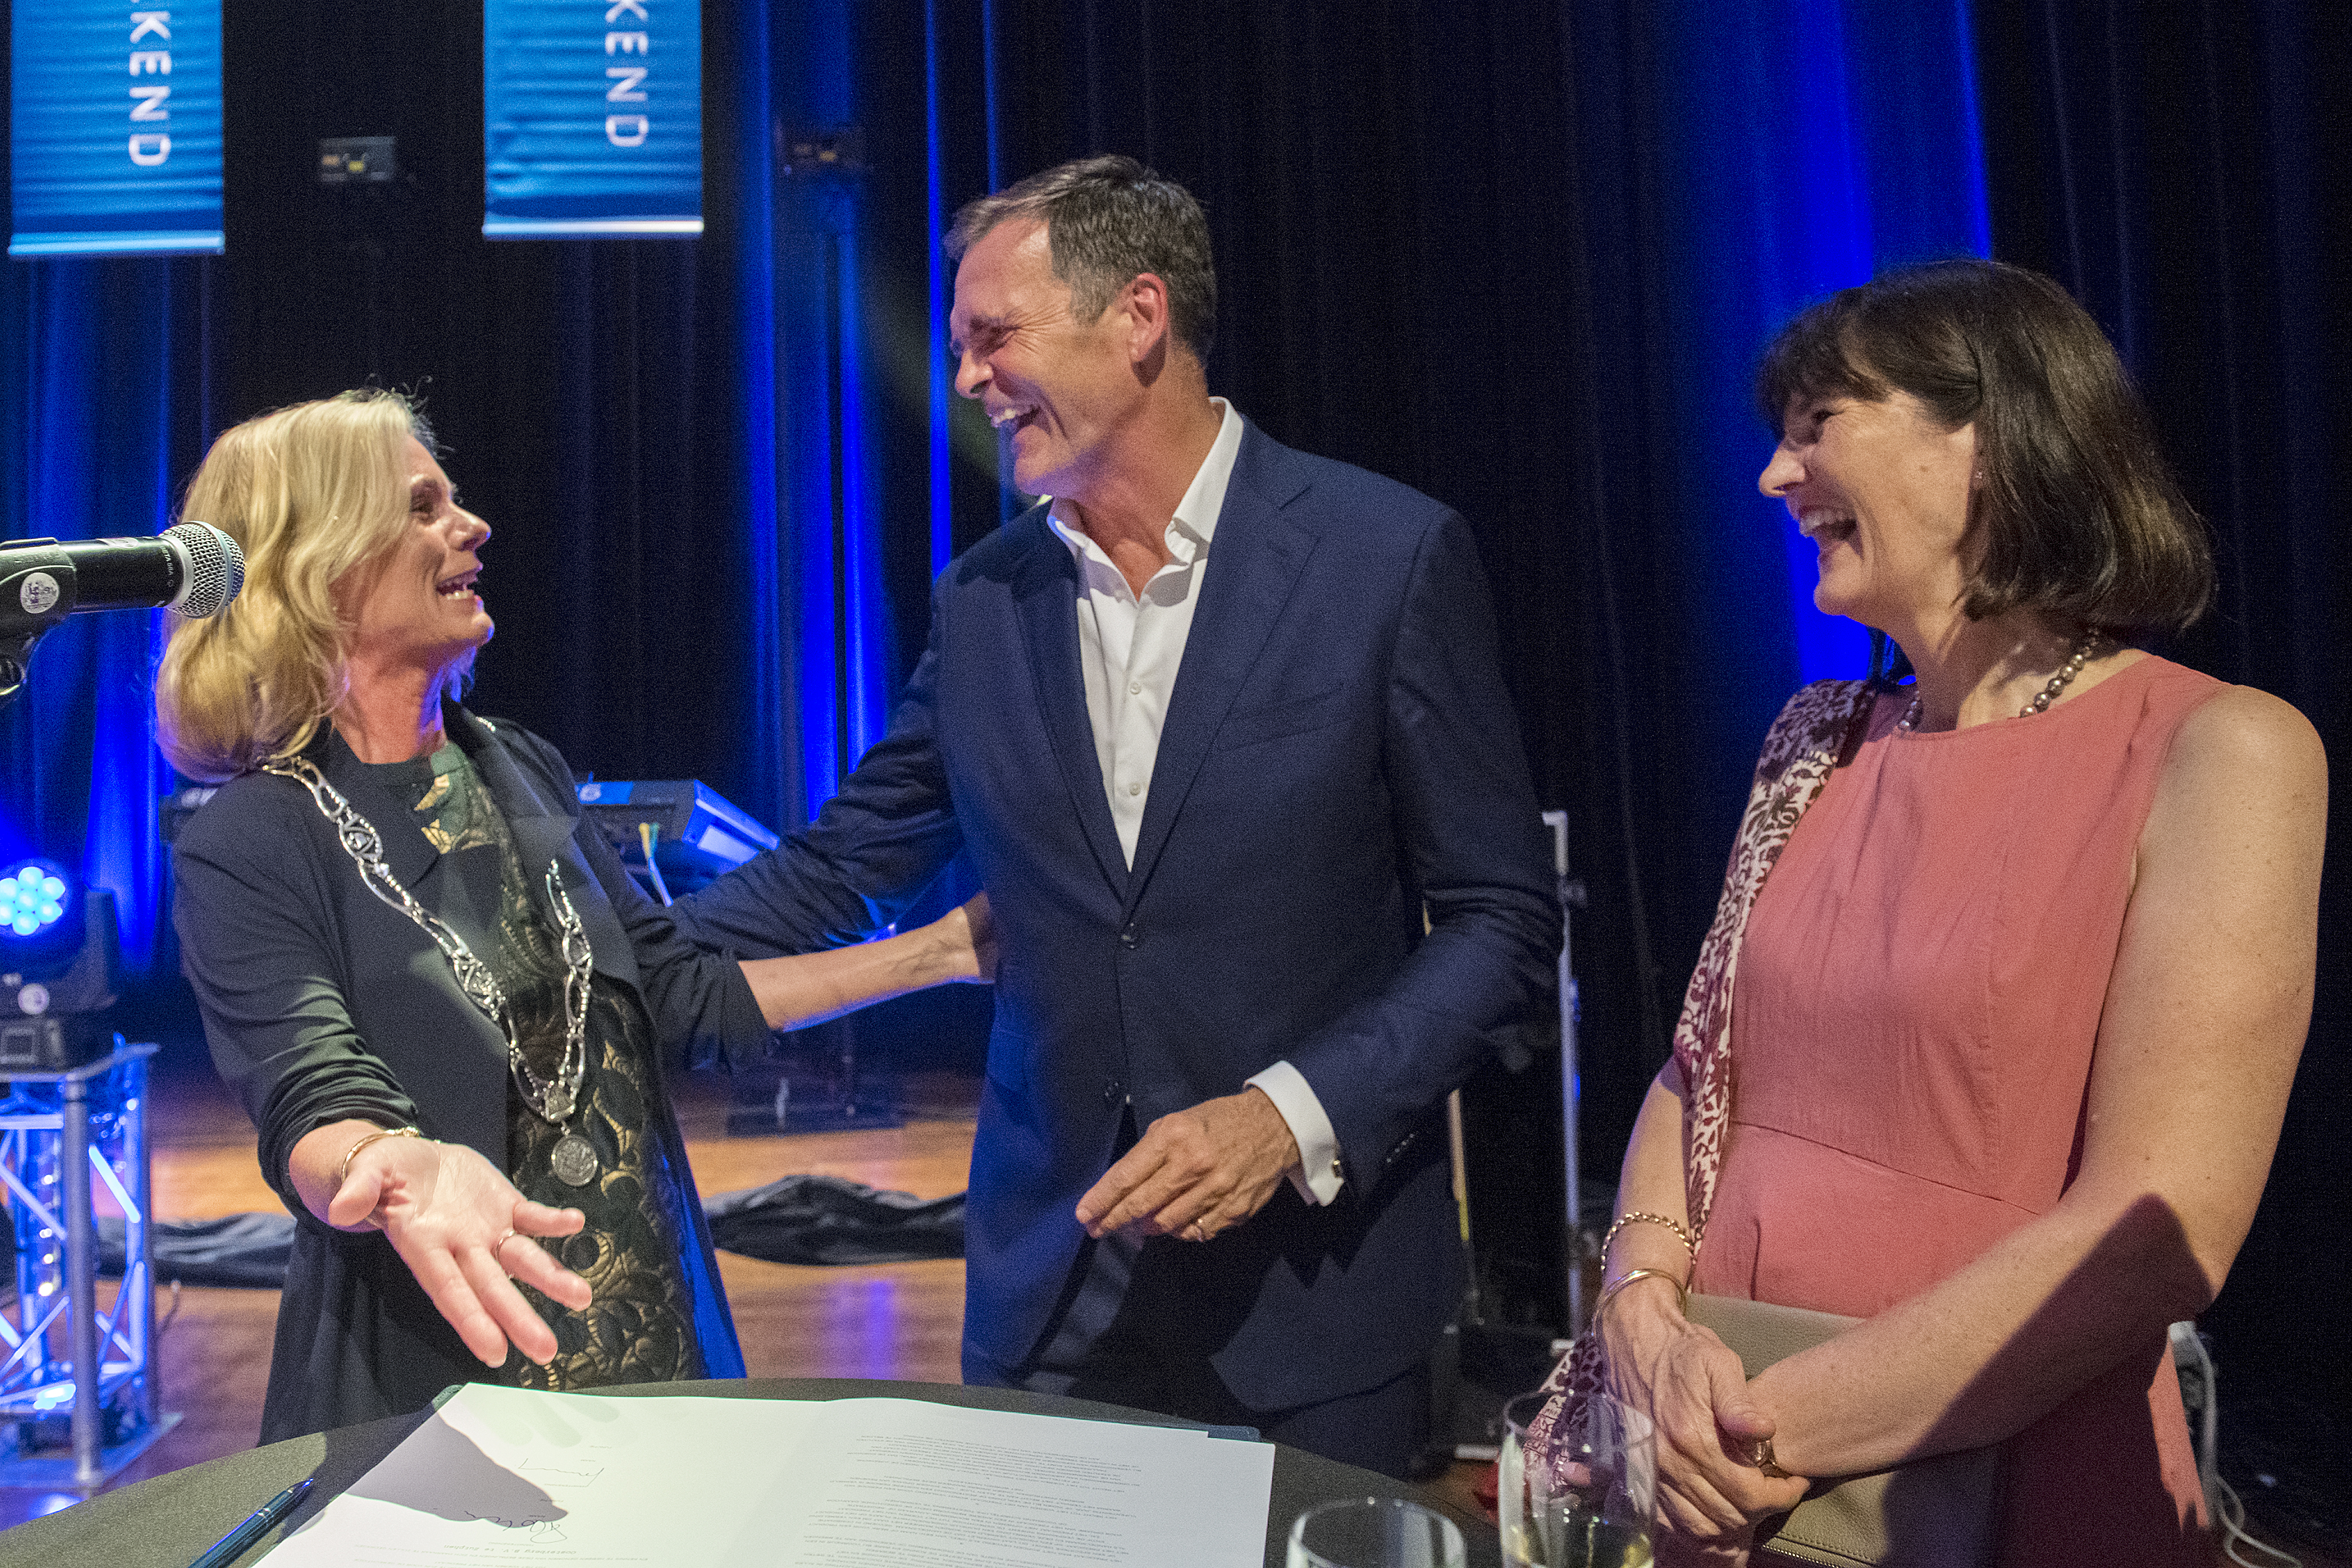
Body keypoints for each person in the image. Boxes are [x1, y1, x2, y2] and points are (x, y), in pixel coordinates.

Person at [670, 156, 1559, 1475]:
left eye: (992, 336)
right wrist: (588, 932)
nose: (966, 377)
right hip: (1048, 1300)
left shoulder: (1386, 556)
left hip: (1315, 1310)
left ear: (1137, 317)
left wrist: (1286, 1113)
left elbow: (1496, 916)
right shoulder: (983, 599)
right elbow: (842, 863)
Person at [1550, 260, 2324, 1565]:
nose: (1772, 477)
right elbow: (1696, 1069)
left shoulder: (2223, 748)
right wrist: (1637, 1312)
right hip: (1725, 1492)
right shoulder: (1812, 734)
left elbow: (2159, 1229)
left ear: (1991, 437)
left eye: (1816, 425)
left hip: (1980, 1482)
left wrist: (1753, 1430)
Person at [159, 390, 995, 1443]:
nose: (473, 525)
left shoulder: (521, 765)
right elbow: (311, 1090)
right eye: (423, 508)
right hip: (442, 1396)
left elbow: (677, 992)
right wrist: (396, 1165)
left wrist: (942, 951)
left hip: (657, 1355)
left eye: (454, 500)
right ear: (320, 564)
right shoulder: (253, 836)